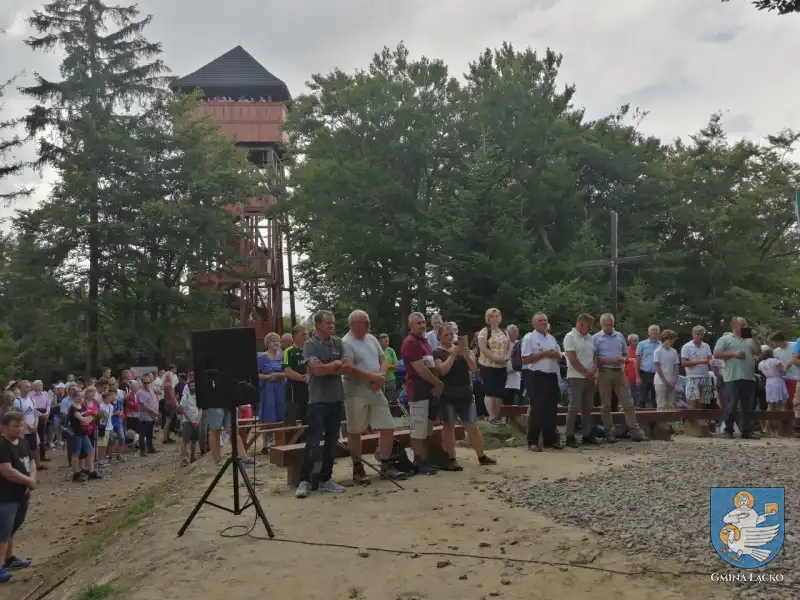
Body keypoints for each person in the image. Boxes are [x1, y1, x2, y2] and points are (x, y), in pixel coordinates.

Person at [342, 310, 406, 483]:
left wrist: (381, 377)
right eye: (366, 322)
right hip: (356, 391)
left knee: (388, 425)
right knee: (355, 430)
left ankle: (386, 464)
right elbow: (350, 368)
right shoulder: (346, 342)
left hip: (376, 388)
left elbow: (383, 359)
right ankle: (358, 468)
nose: (370, 325)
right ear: (355, 324)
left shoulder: (371, 338)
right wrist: (373, 378)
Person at [295, 310, 349, 498]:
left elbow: (347, 365)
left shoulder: (338, 342)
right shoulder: (310, 344)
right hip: (318, 400)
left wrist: (331, 366)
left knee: (332, 442)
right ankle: (305, 481)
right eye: (328, 323)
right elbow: (315, 371)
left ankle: (326, 479)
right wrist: (334, 365)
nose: (331, 325)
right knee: (313, 441)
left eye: (333, 322)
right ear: (318, 324)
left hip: (336, 398)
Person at [433, 324, 496, 469]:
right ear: (439, 337)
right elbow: (442, 370)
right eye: (446, 335)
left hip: (465, 393)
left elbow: (474, 369)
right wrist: (453, 355)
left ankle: (481, 455)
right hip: (448, 394)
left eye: (451, 334)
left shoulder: (463, 350)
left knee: (472, 425)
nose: (449, 337)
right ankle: (451, 458)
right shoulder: (437, 352)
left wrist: (467, 356)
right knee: (449, 426)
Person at [592, 313, 648, 443]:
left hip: (620, 371)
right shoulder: (596, 338)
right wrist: (610, 361)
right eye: (607, 325)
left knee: (628, 402)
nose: (610, 327)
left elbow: (626, 355)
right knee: (605, 404)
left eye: (612, 324)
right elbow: (594, 359)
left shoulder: (619, 336)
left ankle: (635, 431)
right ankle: (609, 432)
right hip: (604, 372)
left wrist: (622, 359)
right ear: (601, 324)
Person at [401, 312, 443, 475]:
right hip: (418, 391)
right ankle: (418, 461)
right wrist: (438, 383)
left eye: (424, 322)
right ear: (410, 325)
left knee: (426, 429)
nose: (423, 325)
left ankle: (425, 460)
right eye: (418, 323)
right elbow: (421, 370)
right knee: (418, 429)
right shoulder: (410, 342)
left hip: (429, 391)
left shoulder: (424, 341)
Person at [0, 411, 36, 583]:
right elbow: (7, 471)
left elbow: (31, 462)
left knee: (13, 527)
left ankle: (9, 558)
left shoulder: (23, 442)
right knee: (3, 531)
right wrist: (29, 480)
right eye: (15, 426)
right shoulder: (2, 445)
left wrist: (32, 480)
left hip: (21, 493)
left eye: (21, 425)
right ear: (4, 427)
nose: (19, 429)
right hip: (5, 495)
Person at [521, 312, 563, 451]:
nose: (544, 323)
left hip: (551, 375)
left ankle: (549, 440)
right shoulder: (529, 338)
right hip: (537, 375)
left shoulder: (551, 338)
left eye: (545, 320)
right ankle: (532, 441)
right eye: (540, 320)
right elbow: (525, 359)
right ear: (534, 323)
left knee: (551, 408)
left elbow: (559, 356)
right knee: (537, 408)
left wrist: (556, 355)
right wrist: (544, 353)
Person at [714, 317, 761, 439]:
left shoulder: (750, 340)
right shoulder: (725, 339)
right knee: (731, 405)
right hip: (732, 377)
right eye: (742, 325)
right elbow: (717, 354)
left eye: (745, 324)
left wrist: (755, 339)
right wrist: (733, 354)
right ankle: (728, 431)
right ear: (734, 325)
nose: (744, 327)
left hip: (749, 377)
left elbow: (758, 353)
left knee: (748, 406)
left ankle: (747, 431)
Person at [563, 313, 600, 447]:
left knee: (588, 407)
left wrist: (594, 370)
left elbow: (595, 355)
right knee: (574, 407)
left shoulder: (590, 338)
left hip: (590, 376)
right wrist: (585, 372)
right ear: (581, 323)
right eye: (588, 326)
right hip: (576, 376)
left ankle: (586, 433)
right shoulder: (570, 337)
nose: (590, 328)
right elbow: (572, 358)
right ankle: (569, 435)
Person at [477, 308, 510, 425]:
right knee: (490, 391)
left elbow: (509, 346)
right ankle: (491, 416)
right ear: (488, 319)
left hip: (502, 366)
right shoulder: (485, 331)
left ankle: (497, 416)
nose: (495, 318)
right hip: (488, 365)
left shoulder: (504, 332)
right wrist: (495, 358)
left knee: (499, 392)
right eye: (492, 316)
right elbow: (483, 348)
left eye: (497, 316)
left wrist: (507, 357)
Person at [258, 332, 286, 447]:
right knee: (268, 415)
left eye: (278, 341)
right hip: (267, 390)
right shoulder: (261, 357)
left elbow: (288, 371)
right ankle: (267, 443)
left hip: (281, 388)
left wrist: (280, 376)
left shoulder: (284, 355)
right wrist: (268, 377)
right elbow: (255, 375)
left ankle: (279, 442)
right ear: (267, 343)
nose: (276, 343)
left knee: (281, 413)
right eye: (273, 340)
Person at [68, 391, 101, 481]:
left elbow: (83, 415)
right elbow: (83, 420)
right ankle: (76, 473)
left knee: (90, 451)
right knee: (76, 453)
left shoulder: (81, 407)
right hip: (76, 433)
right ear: (74, 397)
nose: (80, 398)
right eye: (78, 396)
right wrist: (93, 416)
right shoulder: (73, 408)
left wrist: (88, 413)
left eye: (82, 397)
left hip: (83, 432)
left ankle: (91, 471)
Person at [12, 381, 45, 472]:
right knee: (24, 450)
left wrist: (35, 426)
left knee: (34, 449)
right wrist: (28, 426)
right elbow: (19, 416)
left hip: (32, 429)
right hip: (23, 430)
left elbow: (35, 414)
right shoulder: (17, 402)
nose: (29, 389)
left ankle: (33, 468)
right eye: (26, 387)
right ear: (21, 388)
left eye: (29, 387)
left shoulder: (31, 399)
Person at [283, 325, 310, 429]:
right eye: (303, 334)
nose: (306, 336)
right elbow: (288, 371)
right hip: (294, 392)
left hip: (310, 392)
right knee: (292, 423)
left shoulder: (310, 350)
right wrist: (305, 378)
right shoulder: (288, 351)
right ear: (294, 336)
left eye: (307, 334)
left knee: (309, 420)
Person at [758, 349, 787, 433]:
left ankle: (767, 428)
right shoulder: (775, 361)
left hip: (769, 382)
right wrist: (786, 369)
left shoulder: (761, 363)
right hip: (777, 381)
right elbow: (781, 372)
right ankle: (778, 428)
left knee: (770, 405)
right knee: (779, 404)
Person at [635, 325, 661, 408]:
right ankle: (640, 419)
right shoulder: (642, 344)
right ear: (648, 333)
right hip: (645, 374)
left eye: (656, 331)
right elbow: (637, 361)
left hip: (658, 375)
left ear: (659, 333)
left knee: (656, 399)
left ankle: (656, 419)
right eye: (652, 331)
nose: (654, 333)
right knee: (642, 398)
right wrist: (637, 377)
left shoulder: (662, 345)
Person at [653, 330, 679, 410]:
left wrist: (674, 380)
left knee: (670, 404)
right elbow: (658, 367)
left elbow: (676, 366)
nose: (673, 341)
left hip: (671, 381)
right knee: (661, 404)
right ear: (666, 338)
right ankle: (661, 422)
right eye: (671, 339)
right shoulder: (658, 351)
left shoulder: (674, 351)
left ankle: (670, 422)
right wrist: (666, 382)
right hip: (661, 381)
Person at [136, 375, 159, 456]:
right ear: (142, 383)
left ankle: (150, 448)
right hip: (144, 415)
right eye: (145, 383)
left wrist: (155, 411)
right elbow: (144, 405)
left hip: (152, 415)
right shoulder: (140, 393)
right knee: (143, 433)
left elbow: (155, 400)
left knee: (150, 432)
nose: (147, 384)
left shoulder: (151, 390)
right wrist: (154, 412)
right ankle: (142, 450)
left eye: (148, 382)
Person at [178, 379, 200, 465]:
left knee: (194, 440)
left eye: (194, 386)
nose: (193, 387)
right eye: (191, 386)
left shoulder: (198, 397)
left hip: (196, 421)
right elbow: (183, 410)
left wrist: (198, 420)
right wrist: (191, 421)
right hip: (187, 422)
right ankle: (184, 458)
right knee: (185, 440)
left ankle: (192, 457)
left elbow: (200, 409)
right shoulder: (185, 397)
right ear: (188, 387)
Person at [29, 381, 51, 464]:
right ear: (34, 386)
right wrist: (40, 414)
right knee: (35, 435)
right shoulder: (30, 395)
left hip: (44, 415)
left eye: (42, 384)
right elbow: (32, 407)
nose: (42, 386)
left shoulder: (45, 394)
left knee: (43, 435)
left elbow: (48, 404)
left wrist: (46, 413)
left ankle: (43, 455)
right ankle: (34, 457)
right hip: (35, 416)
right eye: (40, 385)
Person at [378, 333, 399, 404]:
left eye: (388, 341)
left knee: (392, 402)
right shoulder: (376, 351)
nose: (387, 343)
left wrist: (386, 366)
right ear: (379, 342)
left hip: (390, 381)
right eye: (385, 341)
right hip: (379, 381)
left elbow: (396, 366)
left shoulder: (391, 351)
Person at [504, 325, 522, 406]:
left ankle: (514, 416)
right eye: (515, 331)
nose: (517, 333)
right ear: (509, 333)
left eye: (517, 331)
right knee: (507, 396)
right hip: (506, 374)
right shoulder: (504, 344)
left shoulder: (519, 344)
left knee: (516, 396)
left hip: (517, 374)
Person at [161, 371, 178, 444]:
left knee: (167, 421)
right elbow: (172, 396)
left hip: (166, 403)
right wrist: (176, 403)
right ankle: (165, 438)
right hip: (170, 404)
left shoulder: (165, 385)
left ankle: (166, 437)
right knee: (168, 422)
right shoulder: (169, 385)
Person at [625, 334, 640, 406]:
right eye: (633, 341)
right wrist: (631, 359)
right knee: (630, 395)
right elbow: (621, 358)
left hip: (639, 377)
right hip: (627, 377)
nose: (635, 342)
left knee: (638, 396)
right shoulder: (626, 349)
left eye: (636, 340)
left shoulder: (640, 349)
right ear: (629, 342)